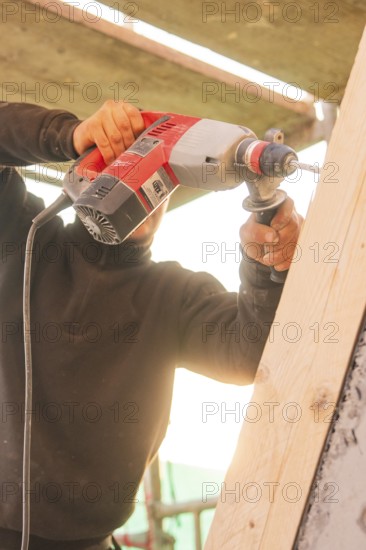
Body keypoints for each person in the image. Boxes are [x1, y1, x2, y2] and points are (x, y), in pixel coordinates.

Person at [0, 100, 302, 549]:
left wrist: (269, 269)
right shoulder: (24, 237)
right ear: (92, 169)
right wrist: (70, 133)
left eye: (163, 179)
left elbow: (250, 351)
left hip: (87, 540)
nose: (148, 189)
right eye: (134, 163)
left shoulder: (173, 296)